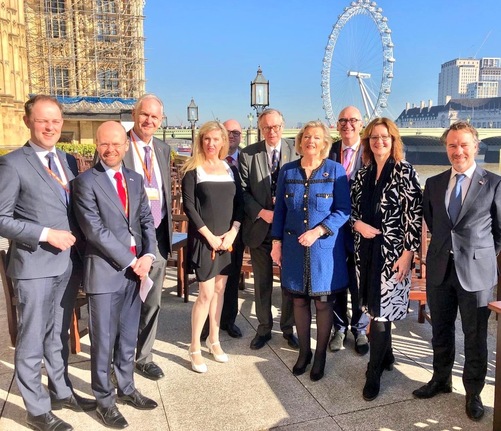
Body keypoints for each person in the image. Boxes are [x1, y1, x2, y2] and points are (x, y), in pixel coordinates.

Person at [0, 95, 96, 431]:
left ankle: (60, 390)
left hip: (67, 265)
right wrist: (44, 233)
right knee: (31, 338)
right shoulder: (12, 164)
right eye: (43, 121)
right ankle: (36, 409)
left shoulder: (68, 161)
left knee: (57, 333)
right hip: (34, 265)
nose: (51, 127)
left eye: (56, 121)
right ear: (28, 122)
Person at [412, 121, 501, 422]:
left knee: (474, 335)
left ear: (476, 146)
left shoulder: (493, 183)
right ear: (445, 148)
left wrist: (481, 256)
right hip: (439, 268)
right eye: (452, 145)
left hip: (476, 273)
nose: (457, 151)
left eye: (464, 144)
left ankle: (473, 392)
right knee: (440, 329)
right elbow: (434, 221)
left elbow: (499, 232)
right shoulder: (434, 183)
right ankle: (441, 379)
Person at [72, 121, 158, 429]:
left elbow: (146, 220)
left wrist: (148, 255)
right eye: (105, 144)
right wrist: (131, 260)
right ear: (97, 145)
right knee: (103, 341)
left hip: (136, 273)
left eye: (117, 143)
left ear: (125, 145)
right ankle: (104, 401)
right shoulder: (84, 182)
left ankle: (127, 388)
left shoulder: (135, 179)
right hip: (106, 273)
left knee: (127, 337)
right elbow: (94, 230)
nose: (111, 149)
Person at [271, 121, 351, 381]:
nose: (311, 141)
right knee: (298, 300)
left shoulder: (335, 171)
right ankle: (304, 353)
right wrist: (276, 243)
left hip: (324, 249)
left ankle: (320, 357)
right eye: (306, 137)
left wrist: (319, 231)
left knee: (323, 302)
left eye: (316, 137)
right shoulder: (287, 171)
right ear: (300, 141)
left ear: (325, 142)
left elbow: (343, 210)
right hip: (293, 248)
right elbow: (280, 211)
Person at [351, 117, 422, 401]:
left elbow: (413, 216)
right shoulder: (362, 174)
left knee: (381, 312)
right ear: (367, 142)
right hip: (365, 254)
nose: (379, 142)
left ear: (393, 141)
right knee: (374, 307)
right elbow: (351, 212)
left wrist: (408, 254)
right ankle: (388, 355)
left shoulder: (405, 172)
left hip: (393, 256)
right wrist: (357, 225)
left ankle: (373, 372)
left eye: (384, 137)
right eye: (373, 138)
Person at [181, 121, 244, 373]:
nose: (211, 143)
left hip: (227, 240)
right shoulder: (192, 169)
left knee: (220, 290)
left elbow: (240, 204)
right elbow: (189, 207)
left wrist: (233, 232)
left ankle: (214, 340)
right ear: (201, 141)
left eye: (216, 139)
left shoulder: (231, 169)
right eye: (207, 139)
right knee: (205, 294)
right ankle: (194, 345)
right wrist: (210, 236)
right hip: (205, 240)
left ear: (223, 142)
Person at [239, 108, 299, 350]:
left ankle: (288, 328)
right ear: (260, 129)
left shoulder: (296, 151)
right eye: (266, 128)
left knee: (288, 282)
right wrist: (261, 212)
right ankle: (263, 329)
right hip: (260, 228)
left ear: (282, 127)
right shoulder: (248, 155)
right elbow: (242, 191)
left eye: (275, 127)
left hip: (289, 230)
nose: (271, 131)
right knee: (262, 283)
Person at [123, 94, 172, 381]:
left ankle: (144, 357)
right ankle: (122, 355)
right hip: (128, 238)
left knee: (153, 300)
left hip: (158, 235)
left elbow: (164, 190)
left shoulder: (163, 149)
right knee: (127, 300)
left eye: (155, 117)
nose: (149, 121)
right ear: (134, 113)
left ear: (161, 120)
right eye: (144, 115)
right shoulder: (119, 144)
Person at [328, 106, 370, 355]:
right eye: (343, 120)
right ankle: (339, 327)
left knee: (360, 281)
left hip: (361, 228)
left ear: (361, 124)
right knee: (337, 279)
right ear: (337, 125)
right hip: (334, 227)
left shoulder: (371, 150)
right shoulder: (329, 151)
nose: (348, 124)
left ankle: (360, 328)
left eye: (353, 120)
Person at [201, 119, 244, 340]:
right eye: (229, 132)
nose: (233, 135)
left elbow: (242, 199)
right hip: (208, 233)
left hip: (233, 232)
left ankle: (228, 320)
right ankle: (207, 326)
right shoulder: (200, 165)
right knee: (209, 283)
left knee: (231, 277)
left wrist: (235, 229)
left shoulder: (242, 161)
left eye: (236, 132)